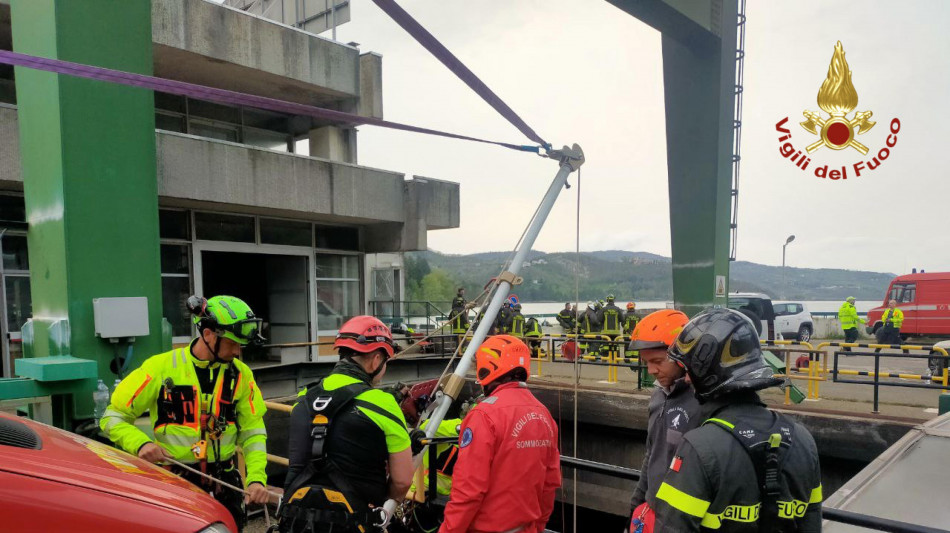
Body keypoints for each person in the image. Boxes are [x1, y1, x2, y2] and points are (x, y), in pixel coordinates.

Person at [101, 295, 270, 531]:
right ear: (209, 334)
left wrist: (256, 479)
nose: (238, 351)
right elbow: (112, 417)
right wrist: (140, 444)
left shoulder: (242, 375)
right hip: (174, 483)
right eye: (233, 343)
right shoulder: (159, 368)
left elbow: (253, 432)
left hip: (226, 485)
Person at [653, 308, 823, 532]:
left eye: (689, 369)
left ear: (707, 371)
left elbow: (671, 528)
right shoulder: (803, 440)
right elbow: (811, 524)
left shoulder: (699, 448)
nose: (686, 377)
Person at [280, 316, 413, 533]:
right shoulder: (384, 403)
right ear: (376, 359)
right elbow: (402, 482)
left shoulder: (303, 398)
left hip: (296, 520)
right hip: (354, 522)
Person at [440, 335, 561, 533]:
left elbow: (469, 491)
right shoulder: (543, 414)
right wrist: (537, 527)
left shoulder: (483, 415)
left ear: (487, 368)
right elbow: (549, 483)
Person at [627, 310, 699, 533]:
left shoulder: (701, 402)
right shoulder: (659, 397)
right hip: (654, 514)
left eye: (657, 361)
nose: (651, 371)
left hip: (683, 520)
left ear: (682, 355)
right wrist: (636, 503)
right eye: (646, 362)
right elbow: (652, 452)